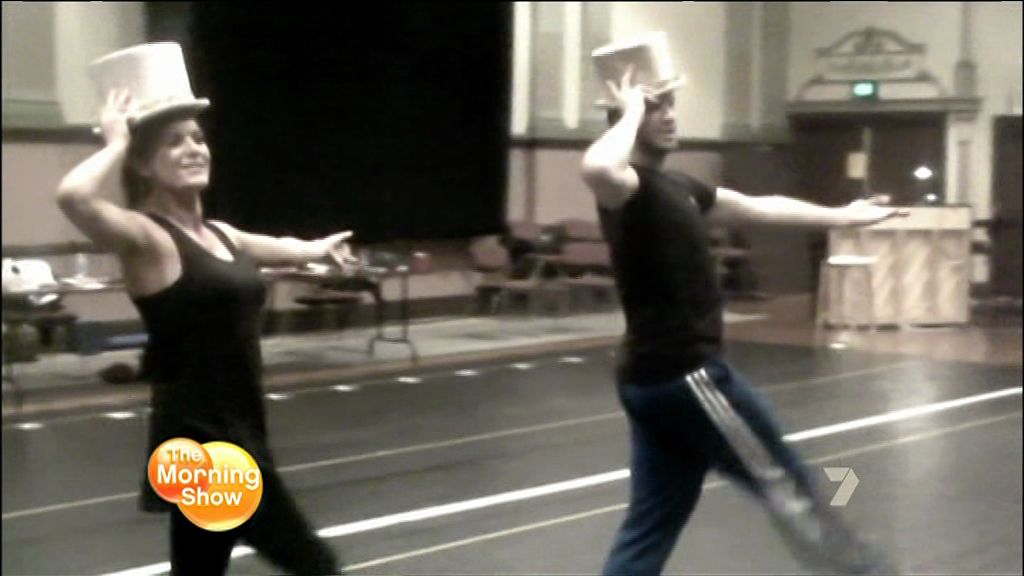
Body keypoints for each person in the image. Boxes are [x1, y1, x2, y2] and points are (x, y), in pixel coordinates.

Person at [583, 36, 903, 576]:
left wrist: (844, 216)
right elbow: (596, 167)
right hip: (688, 377)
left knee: (652, 521)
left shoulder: (678, 186)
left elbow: (761, 207)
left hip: (650, 382)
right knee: (790, 487)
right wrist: (632, 106)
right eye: (657, 107)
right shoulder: (625, 190)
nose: (669, 115)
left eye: (670, 104)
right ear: (626, 115)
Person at [56, 43, 353, 575]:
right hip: (205, 443)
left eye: (197, 138)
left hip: (235, 431)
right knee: (315, 564)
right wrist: (116, 141)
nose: (194, 148)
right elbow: (74, 197)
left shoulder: (220, 233)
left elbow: (280, 246)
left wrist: (315, 249)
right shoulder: (148, 238)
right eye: (174, 143)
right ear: (143, 164)